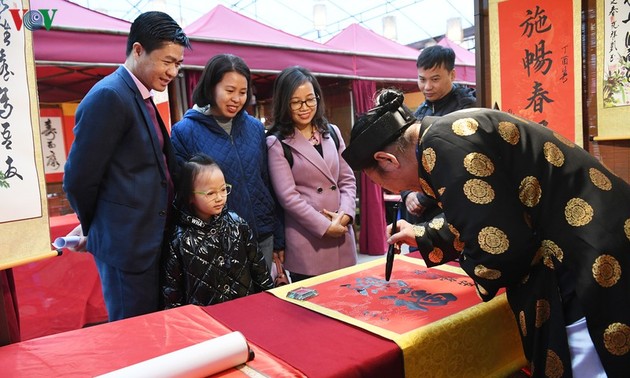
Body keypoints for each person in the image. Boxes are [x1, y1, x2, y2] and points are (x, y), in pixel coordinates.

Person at [342, 89, 630, 377]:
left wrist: (478, 266)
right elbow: (487, 213)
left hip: (588, 249)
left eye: (383, 185)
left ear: (388, 160)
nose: (394, 192)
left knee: (593, 365)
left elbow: (501, 250)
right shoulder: (443, 135)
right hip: (594, 232)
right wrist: (422, 234)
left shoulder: (442, 148)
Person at [63, 12, 191, 321]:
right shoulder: (110, 96)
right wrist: (99, 227)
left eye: (178, 64)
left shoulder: (141, 94)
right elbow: (78, 179)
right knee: (133, 333)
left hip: (150, 239)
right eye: (167, 61)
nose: (173, 72)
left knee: (154, 328)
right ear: (137, 50)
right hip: (128, 247)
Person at [170, 54, 280, 270]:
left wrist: (278, 234)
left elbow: (266, 181)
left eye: (242, 92)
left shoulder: (255, 128)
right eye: (229, 91)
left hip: (261, 235)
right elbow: (182, 195)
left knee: (263, 301)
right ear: (211, 87)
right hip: (215, 241)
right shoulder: (184, 131)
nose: (237, 99)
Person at [266, 66, 357, 282]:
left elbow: (347, 179)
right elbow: (289, 198)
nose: (304, 107)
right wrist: (325, 226)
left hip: (341, 234)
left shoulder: (332, 132)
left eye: (310, 99)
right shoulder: (276, 143)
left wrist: (344, 216)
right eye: (296, 102)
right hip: (309, 242)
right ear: (284, 103)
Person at [161, 154, 273, 308]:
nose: (220, 197)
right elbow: (172, 291)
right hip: (205, 321)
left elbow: (260, 271)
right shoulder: (179, 238)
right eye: (210, 193)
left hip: (246, 310)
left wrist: (270, 303)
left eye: (223, 189)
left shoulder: (237, 224)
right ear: (189, 196)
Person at [402, 45, 477, 225]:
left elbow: (461, 164)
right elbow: (406, 157)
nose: (427, 87)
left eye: (435, 79)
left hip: (454, 208)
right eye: (422, 79)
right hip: (419, 209)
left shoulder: (467, 108)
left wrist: (423, 197)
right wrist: (407, 194)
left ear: (452, 75)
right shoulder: (419, 112)